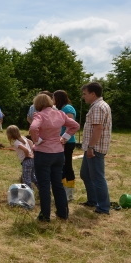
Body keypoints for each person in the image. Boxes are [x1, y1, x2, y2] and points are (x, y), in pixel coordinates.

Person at [30, 93, 79, 222]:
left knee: (44, 185)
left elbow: (33, 127)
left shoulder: (39, 115)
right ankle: (63, 213)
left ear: (37, 104)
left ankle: (45, 215)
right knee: (57, 184)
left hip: (43, 154)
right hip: (58, 153)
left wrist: (37, 140)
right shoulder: (60, 114)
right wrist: (65, 138)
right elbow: (75, 125)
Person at [80, 82, 112, 215]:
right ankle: (93, 200)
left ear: (93, 94)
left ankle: (103, 208)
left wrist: (91, 147)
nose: (83, 97)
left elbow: (98, 128)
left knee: (98, 178)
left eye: (85, 94)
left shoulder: (98, 107)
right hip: (92, 147)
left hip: (95, 149)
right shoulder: (97, 106)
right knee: (85, 174)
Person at [53, 90, 78, 201]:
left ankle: (69, 193)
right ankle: (62, 190)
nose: (52, 101)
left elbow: (70, 125)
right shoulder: (60, 109)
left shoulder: (68, 108)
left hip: (67, 142)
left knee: (67, 166)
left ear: (58, 98)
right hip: (60, 142)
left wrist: (64, 138)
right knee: (61, 166)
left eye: (53, 98)